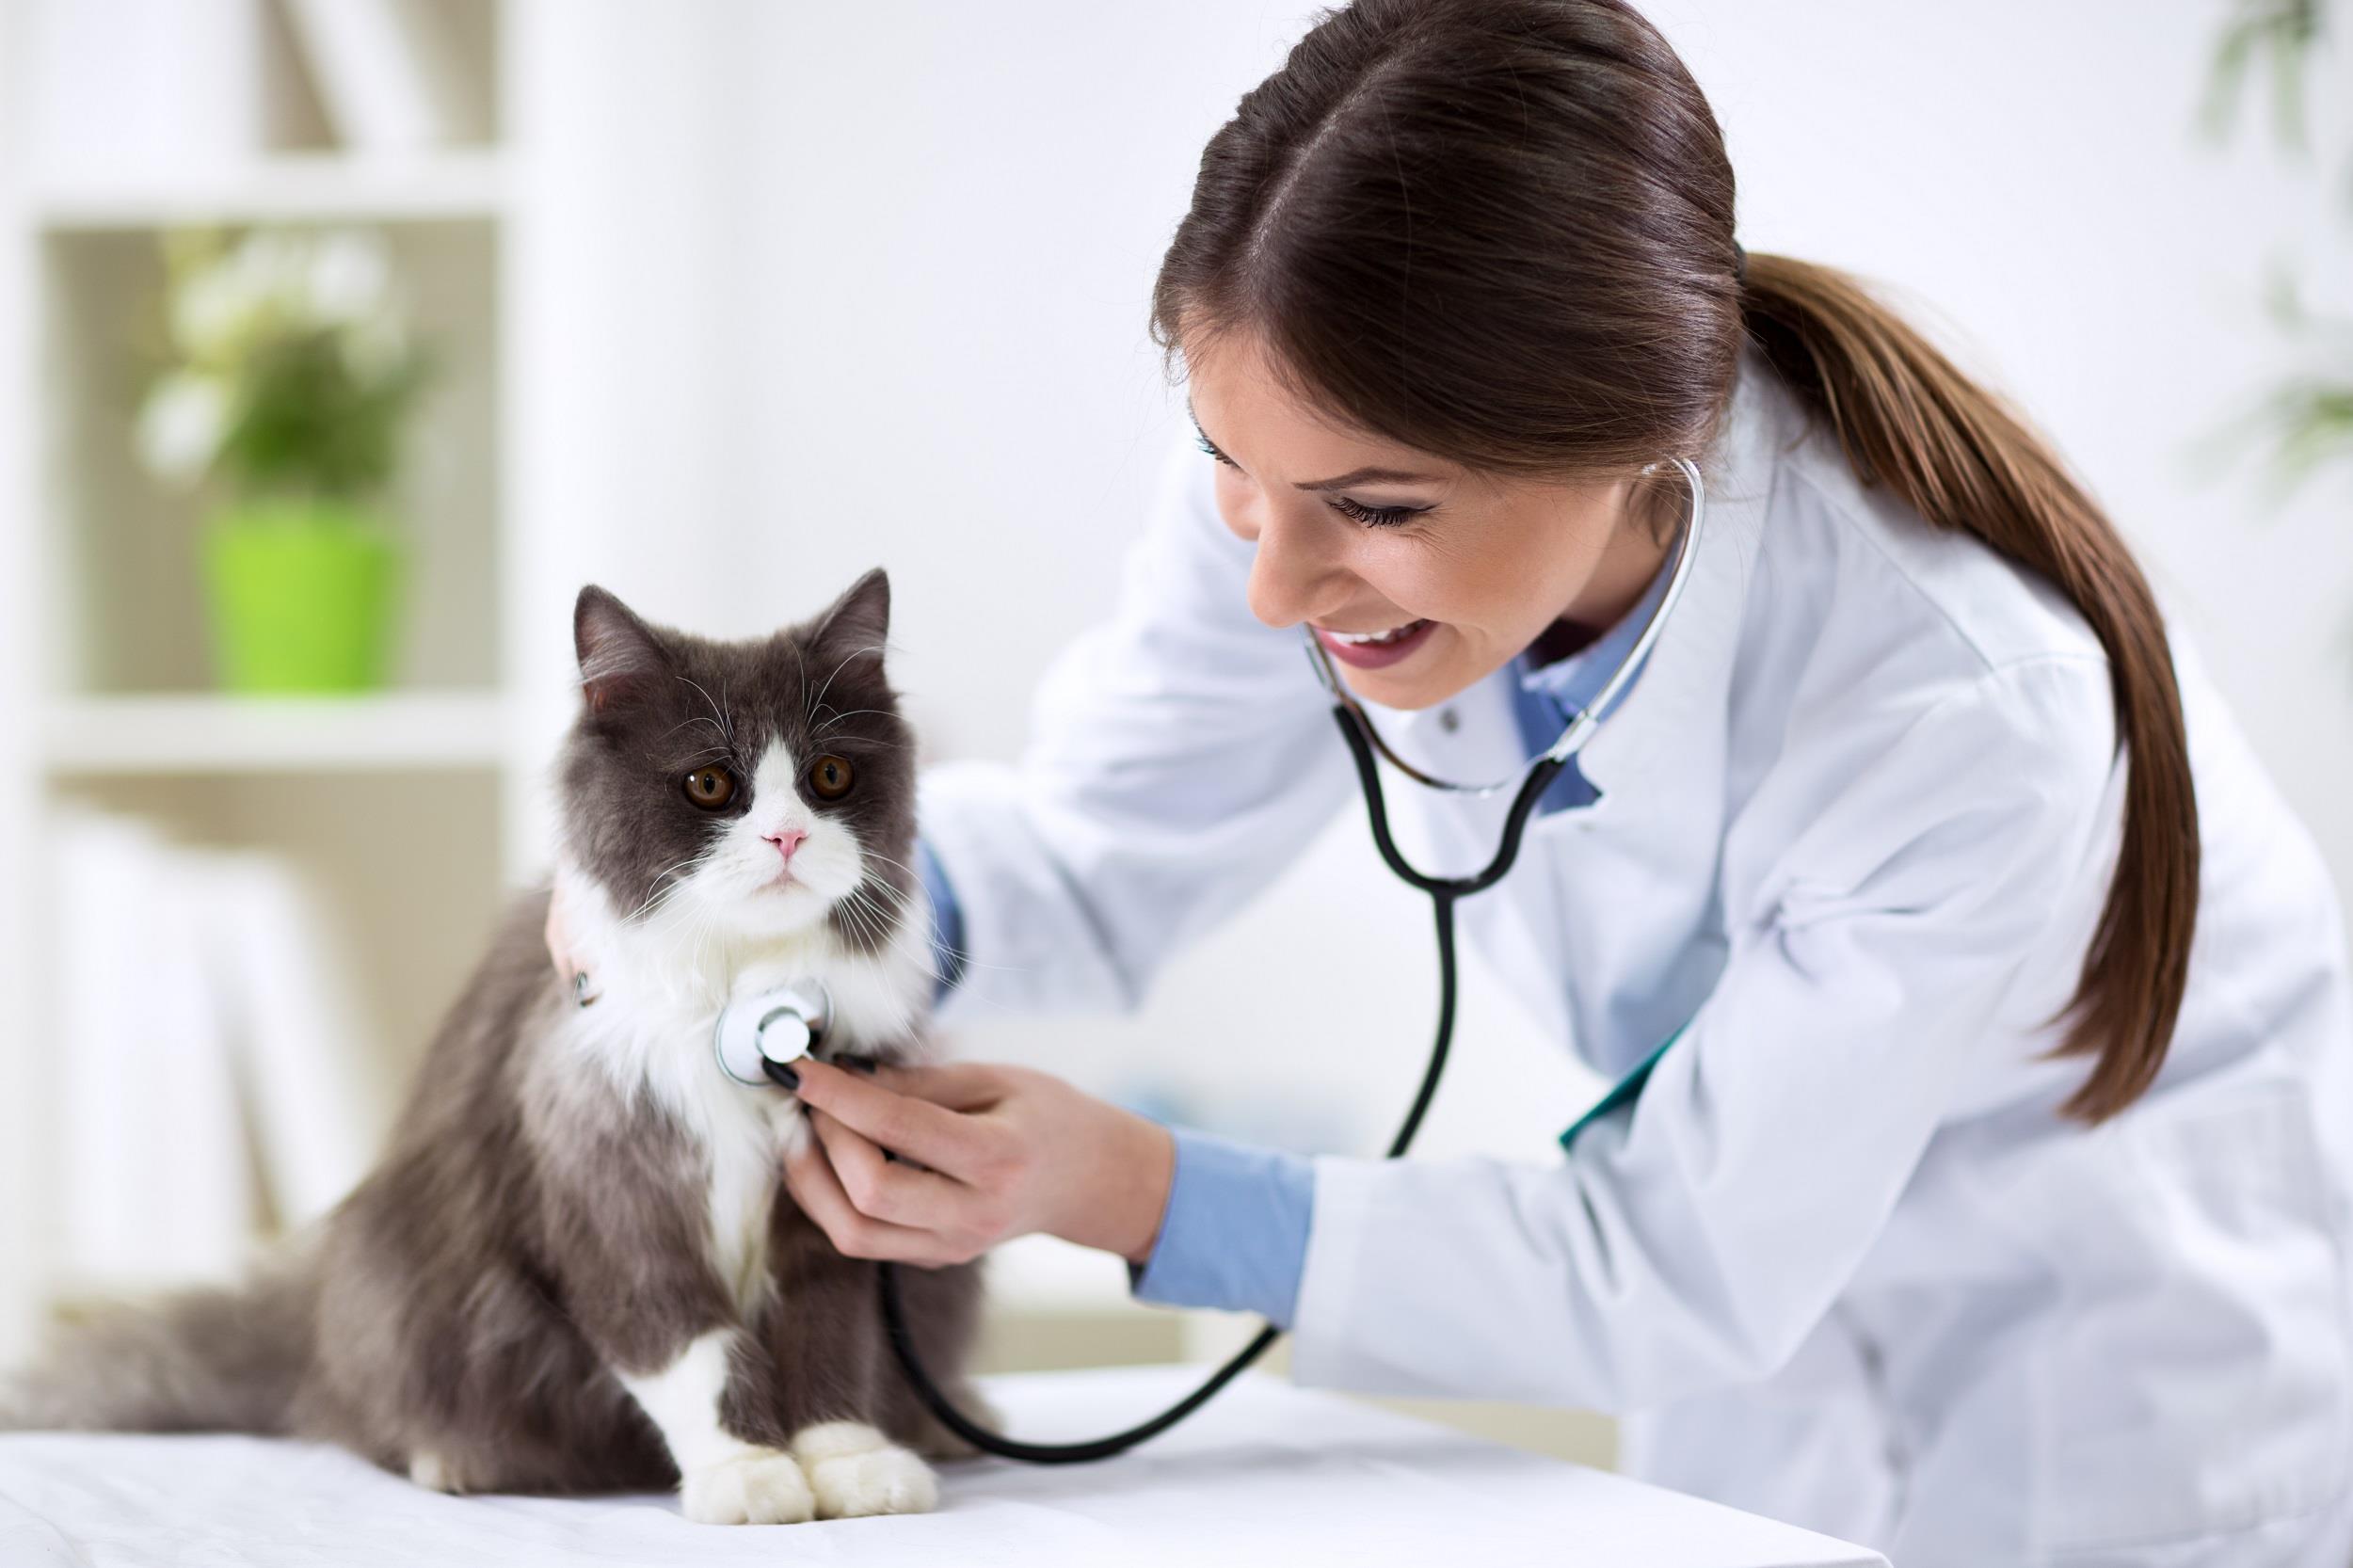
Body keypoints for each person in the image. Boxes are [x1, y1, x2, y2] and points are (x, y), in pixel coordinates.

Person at [553, 1, 2353, 1560]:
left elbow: (1675, 1260)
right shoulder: (1302, 485)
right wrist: (804, 912)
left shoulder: (1960, 712)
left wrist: (1138, 1190)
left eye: (1378, 512)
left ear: (1645, 436)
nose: (1274, 580)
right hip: (1777, 1423)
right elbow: (1108, 843)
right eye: (1232, 472)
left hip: (2114, 1399)